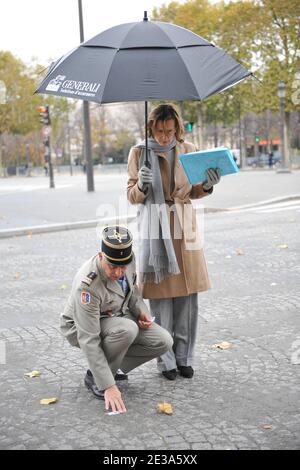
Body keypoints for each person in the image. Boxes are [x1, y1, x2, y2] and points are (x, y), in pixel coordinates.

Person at [127, 104, 221, 381]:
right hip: (156, 228)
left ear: (177, 128)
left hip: (183, 225)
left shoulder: (188, 149)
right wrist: (142, 186)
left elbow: (193, 190)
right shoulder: (139, 152)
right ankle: (165, 359)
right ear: (151, 128)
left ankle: (185, 357)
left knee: (187, 299)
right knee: (160, 300)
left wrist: (207, 184)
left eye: (169, 131)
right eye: (159, 131)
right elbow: (131, 195)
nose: (165, 137)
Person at [60, 225, 173, 413]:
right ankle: (97, 378)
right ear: (101, 256)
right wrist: (108, 387)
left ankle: (110, 369)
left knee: (163, 341)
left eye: (123, 266)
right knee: (127, 329)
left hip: (116, 315)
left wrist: (141, 311)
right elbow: (88, 338)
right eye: (113, 266)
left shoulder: (128, 260)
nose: (119, 272)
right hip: (81, 325)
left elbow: (133, 291)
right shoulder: (87, 285)